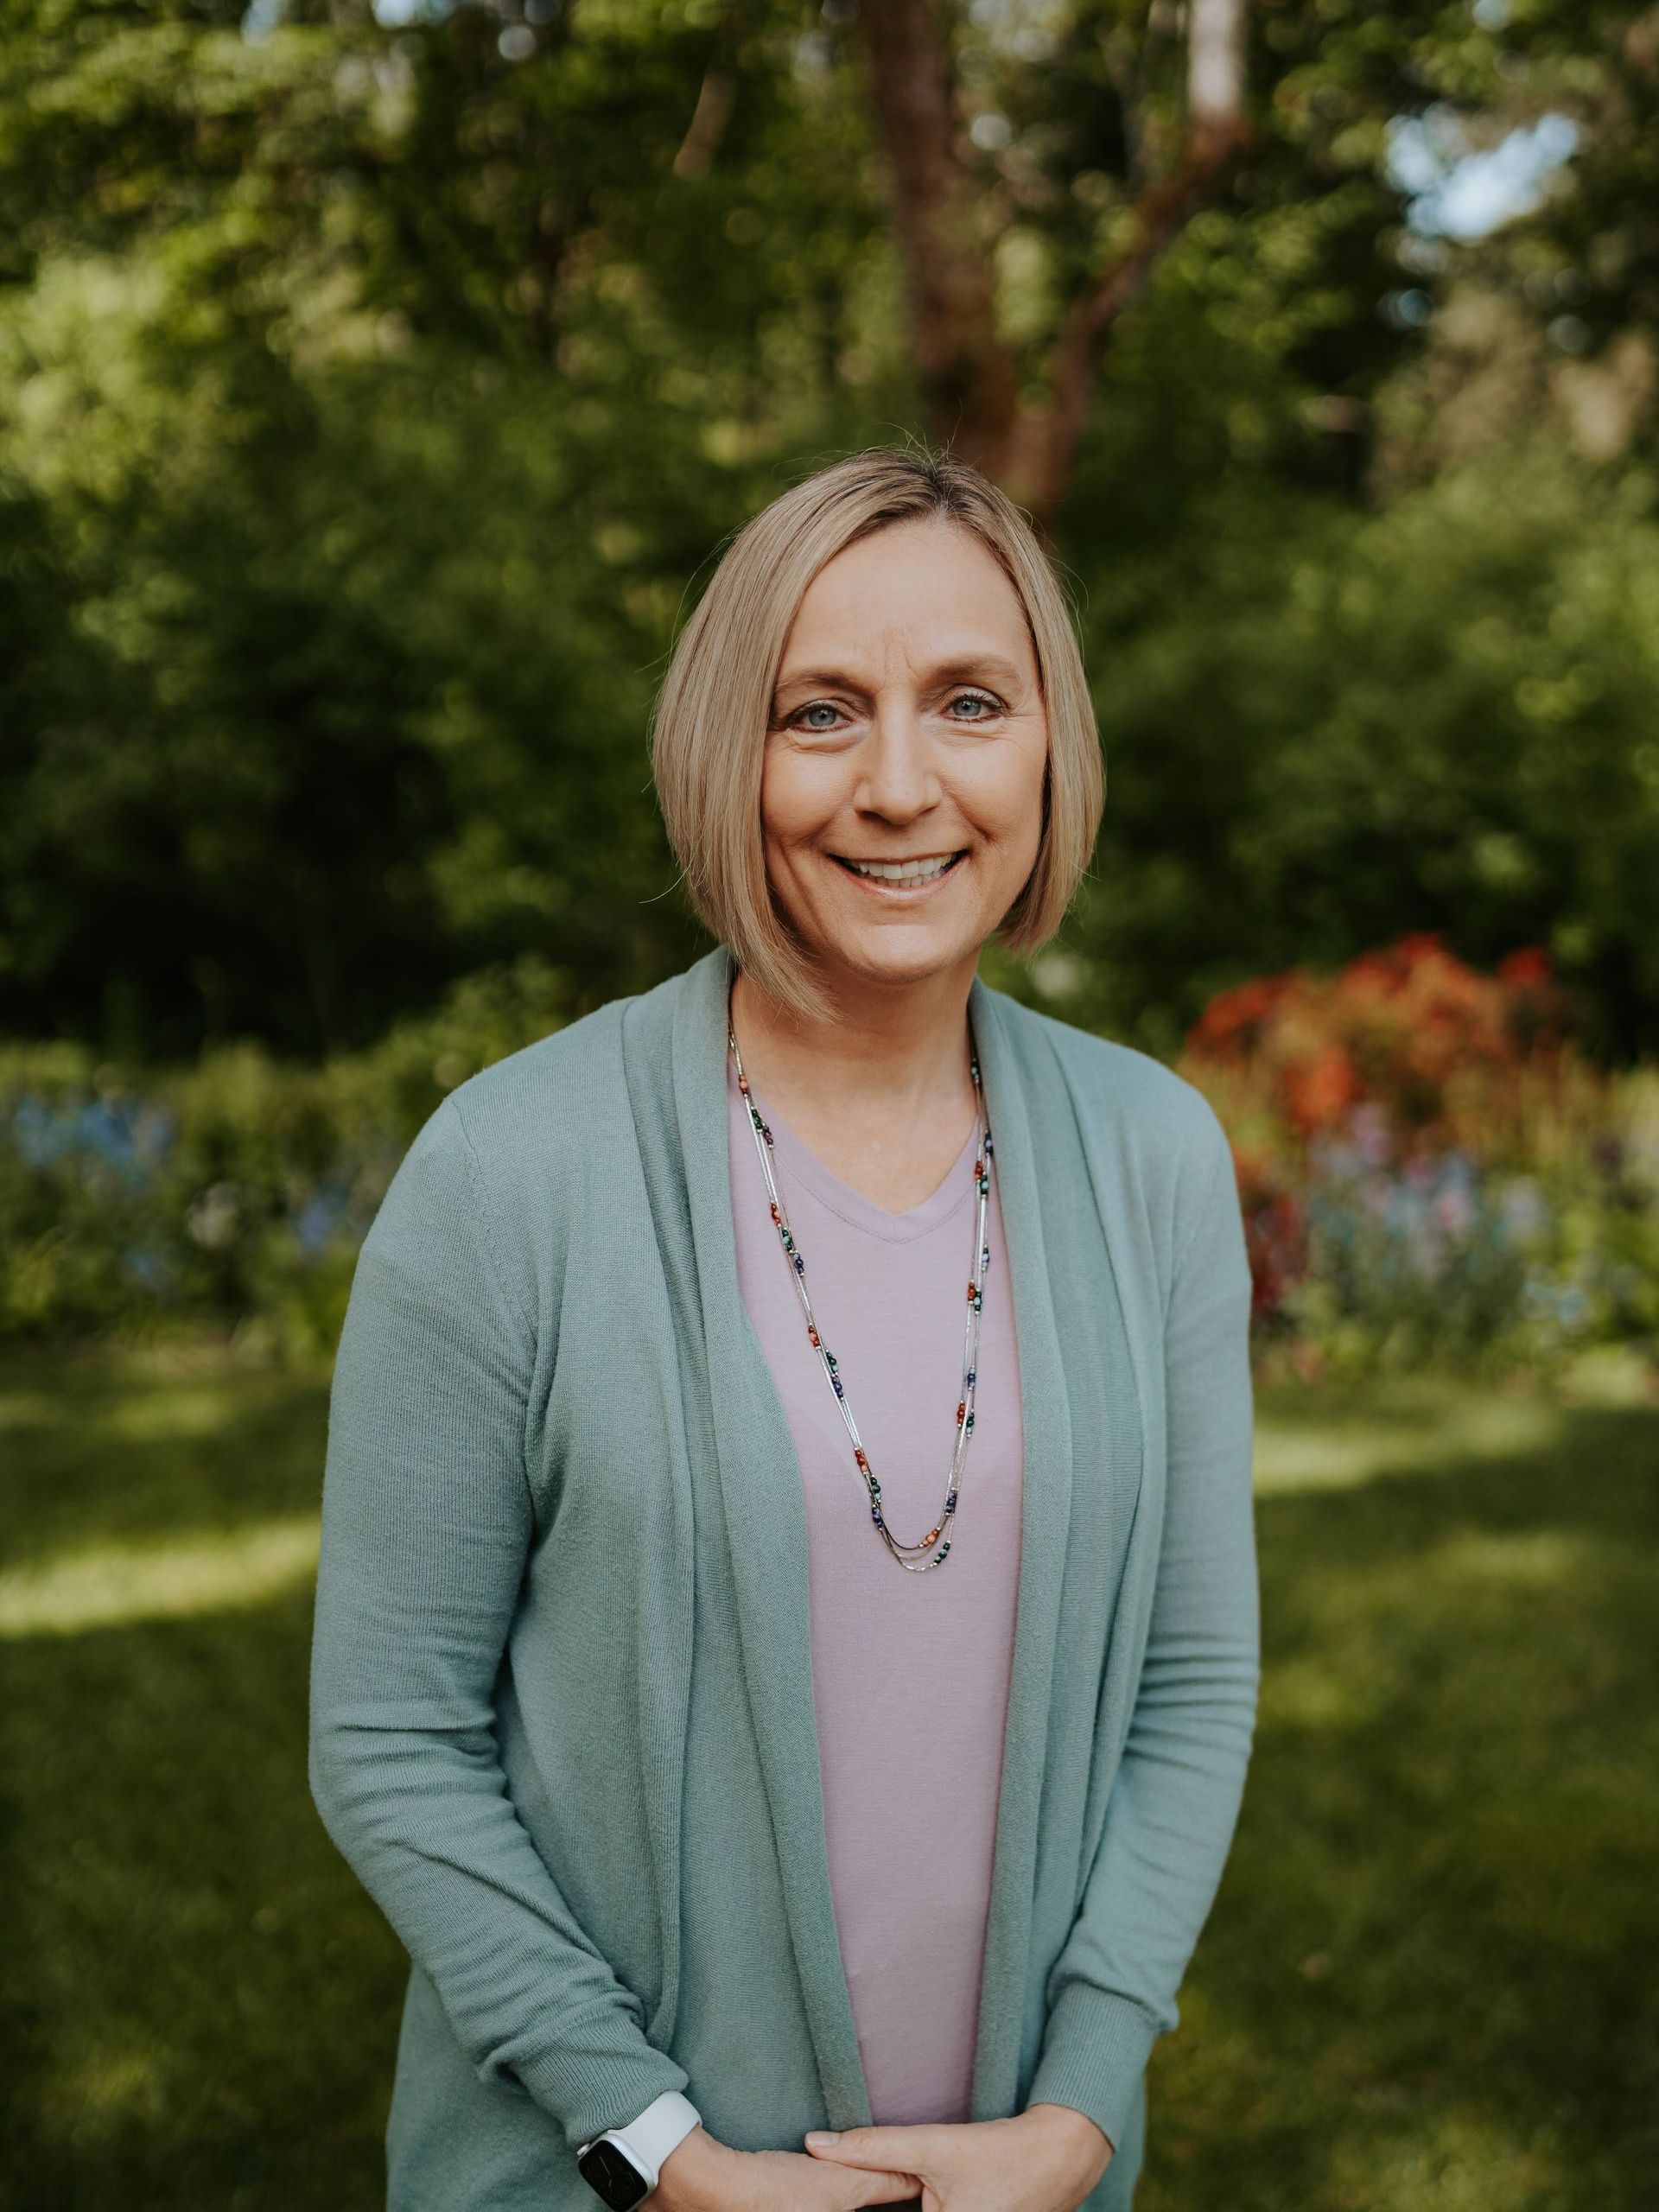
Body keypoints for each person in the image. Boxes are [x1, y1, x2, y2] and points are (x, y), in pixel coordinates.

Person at [308, 446, 1259, 2212]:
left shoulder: (1155, 1155)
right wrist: (658, 2151)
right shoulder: (510, 1170)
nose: (899, 785)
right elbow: (388, 1736)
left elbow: (1191, 1686)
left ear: (1050, 745)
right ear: (722, 753)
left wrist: (1081, 2111)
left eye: (968, 702)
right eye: (820, 713)